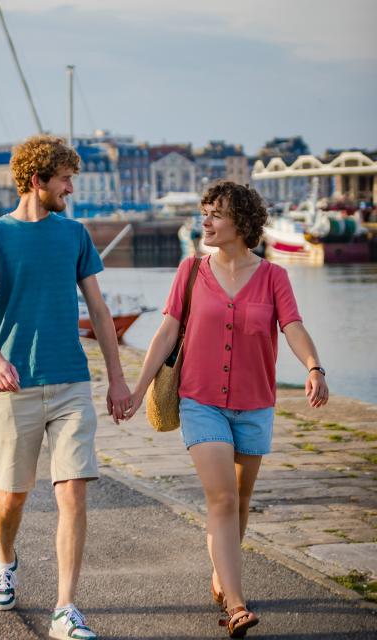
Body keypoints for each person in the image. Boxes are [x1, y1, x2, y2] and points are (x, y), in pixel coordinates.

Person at [125, 181, 329, 638]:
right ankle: (236, 605)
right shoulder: (191, 271)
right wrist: (138, 390)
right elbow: (165, 332)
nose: (206, 221)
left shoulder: (274, 276)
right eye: (205, 213)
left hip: (256, 404)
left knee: (239, 501)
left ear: (242, 222)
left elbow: (293, 326)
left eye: (216, 214)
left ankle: (222, 572)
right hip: (201, 402)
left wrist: (314, 367)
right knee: (220, 498)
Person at [0, 135, 131, 640]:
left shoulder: (74, 234)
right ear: (38, 181)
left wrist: (117, 379)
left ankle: (65, 608)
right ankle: (5, 561)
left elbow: (100, 312)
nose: (71, 188)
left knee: (74, 492)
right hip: (15, 386)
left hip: (70, 383)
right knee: (12, 497)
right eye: (65, 179)